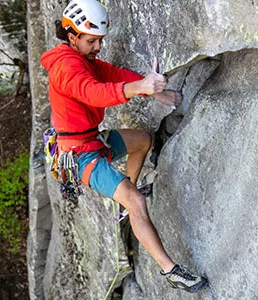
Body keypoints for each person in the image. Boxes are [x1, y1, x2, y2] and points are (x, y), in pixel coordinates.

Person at [41, 0, 208, 293]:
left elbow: (112, 74)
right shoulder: (65, 68)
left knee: (142, 141)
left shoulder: (83, 59)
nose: (97, 47)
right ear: (72, 37)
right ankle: (171, 272)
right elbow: (94, 93)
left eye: (99, 41)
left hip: (91, 140)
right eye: (91, 41)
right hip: (79, 157)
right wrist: (141, 88)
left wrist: (150, 89)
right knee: (138, 202)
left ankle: (127, 200)